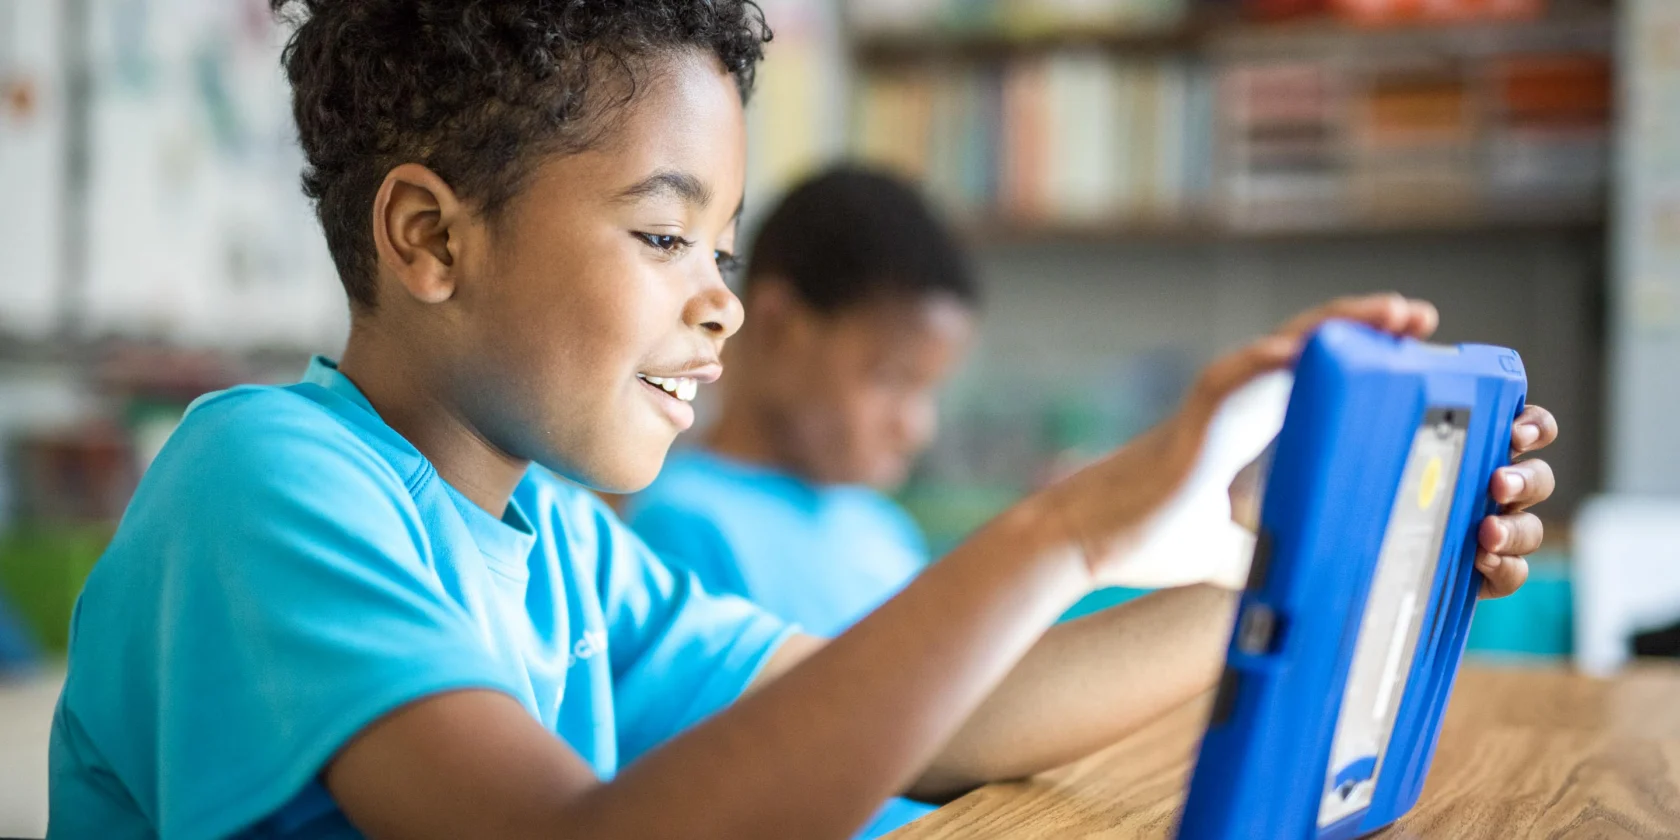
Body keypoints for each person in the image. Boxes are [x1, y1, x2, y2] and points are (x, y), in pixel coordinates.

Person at [47, 2, 1559, 838]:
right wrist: (1068, 520)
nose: (721, 302)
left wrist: (1294, 559)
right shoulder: (269, 481)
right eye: (661, 237)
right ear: (432, 240)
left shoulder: (562, 543)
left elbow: (952, 718)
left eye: (726, 247)